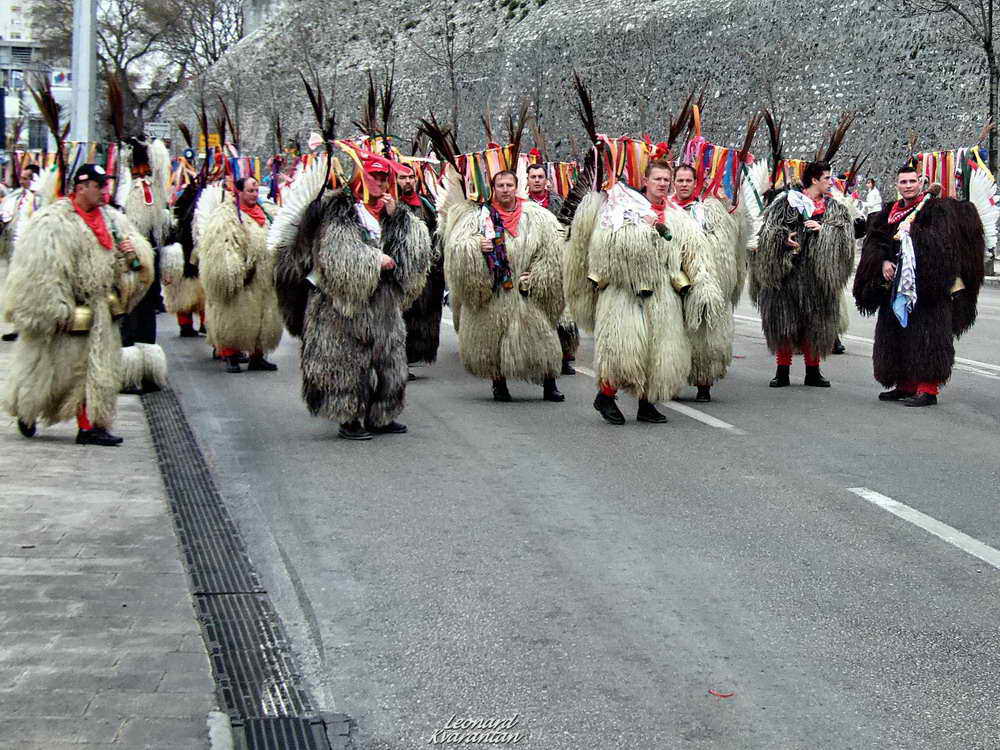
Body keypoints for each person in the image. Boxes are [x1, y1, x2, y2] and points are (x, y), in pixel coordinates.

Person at [273, 152, 431, 440]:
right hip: (343, 305)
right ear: (360, 176)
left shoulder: (391, 209)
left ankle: (381, 415)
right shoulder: (340, 210)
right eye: (374, 176)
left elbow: (418, 251)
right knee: (346, 361)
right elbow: (335, 252)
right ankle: (349, 418)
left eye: (385, 178)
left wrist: (398, 219)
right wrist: (374, 260)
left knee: (388, 358)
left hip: (382, 303)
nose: (380, 183)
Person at [3, 164, 154, 445]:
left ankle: (90, 426)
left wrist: (133, 259)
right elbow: (40, 269)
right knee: (52, 371)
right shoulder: (53, 221)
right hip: (68, 310)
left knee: (96, 370)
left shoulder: (112, 221)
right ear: (81, 187)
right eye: (98, 186)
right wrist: (53, 308)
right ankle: (28, 410)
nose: (104, 192)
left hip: (101, 312)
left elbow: (131, 263)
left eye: (105, 186)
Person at [564, 159, 697, 425]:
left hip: (662, 295)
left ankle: (646, 404)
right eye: (657, 179)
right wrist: (643, 234)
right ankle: (605, 396)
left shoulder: (678, 217)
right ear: (645, 181)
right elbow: (604, 251)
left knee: (657, 350)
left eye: (665, 179)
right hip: (625, 293)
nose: (663, 183)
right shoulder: (622, 211)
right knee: (621, 350)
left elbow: (691, 252)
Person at [852, 165, 985, 406]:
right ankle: (904, 384)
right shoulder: (887, 213)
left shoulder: (934, 211)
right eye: (903, 182)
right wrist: (882, 262)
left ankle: (927, 388)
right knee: (896, 333)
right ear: (897, 184)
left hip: (927, 287)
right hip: (894, 286)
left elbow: (943, 244)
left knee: (927, 335)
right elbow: (876, 242)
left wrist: (914, 233)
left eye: (912, 181)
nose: (908, 186)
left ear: (920, 183)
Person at [442, 169, 566, 403]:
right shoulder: (478, 217)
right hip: (495, 292)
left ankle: (550, 384)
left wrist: (537, 276)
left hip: (526, 292)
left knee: (543, 340)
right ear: (493, 189)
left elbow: (554, 252)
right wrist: (476, 245)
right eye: (501, 185)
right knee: (494, 341)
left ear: (516, 187)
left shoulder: (539, 217)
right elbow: (456, 248)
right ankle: (499, 384)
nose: (505, 189)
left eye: (509, 185)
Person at [750, 160, 855, 388]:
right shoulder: (787, 202)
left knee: (816, 325)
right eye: (827, 178)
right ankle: (782, 371)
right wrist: (782, 238)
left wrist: (825, 230)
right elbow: (768, 229)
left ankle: (813, 371)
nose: (831, 182)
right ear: (814, 180)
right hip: (788, 275)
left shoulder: (834, 208)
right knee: (784, 323)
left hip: (818, 277)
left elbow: (846, 235)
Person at [671, 164, 741, 402]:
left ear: (695, 183)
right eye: (679, 180)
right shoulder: (667, 210)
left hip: (701, 277)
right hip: (672, 279)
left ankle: (703, 381)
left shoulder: (704, 211)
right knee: (674, 332)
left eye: (688, 180)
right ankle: (673, 378)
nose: (683, 184)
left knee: (703, 333)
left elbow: (723, 243)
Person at [198, 176, 282, 373]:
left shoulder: (267, 213)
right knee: (234, 315)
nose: (254, 195)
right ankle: (230, 354)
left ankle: (258, 356)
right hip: (243, 277)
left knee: (264, 316)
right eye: (250, 191)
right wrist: (235, 270)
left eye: (255, 191)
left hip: (265, 277)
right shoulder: (227, 216)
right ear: (239, 192)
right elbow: (222, 245)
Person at [527, 162, 578, 376]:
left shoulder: (559, 203)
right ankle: (535, 356)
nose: (537, 180)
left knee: (564, 315)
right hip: (531, 263)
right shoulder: (522, 206)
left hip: (559, 262)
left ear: (546, 180)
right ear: (527, 180)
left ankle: (565, 357)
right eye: (533, 177)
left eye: (540, 176)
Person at [397, 169, 444, 376]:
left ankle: (411, 356)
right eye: (403, 177)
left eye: (411, 177)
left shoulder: (426, 204)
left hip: (427, 271)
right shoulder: (392, 205)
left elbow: (437, 231)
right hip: (401, 272)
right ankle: (399, 362)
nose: (408, 181)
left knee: (422, 316)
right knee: (401, 317)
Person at [0, 164, 42, 342]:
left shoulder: (39, 199)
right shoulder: (17, 196)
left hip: (32, 252)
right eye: (22, 177)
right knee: (17, 290)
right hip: (14, 251)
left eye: (26, 178)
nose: (22, 181)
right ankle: (18, 325)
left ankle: (30, 326)